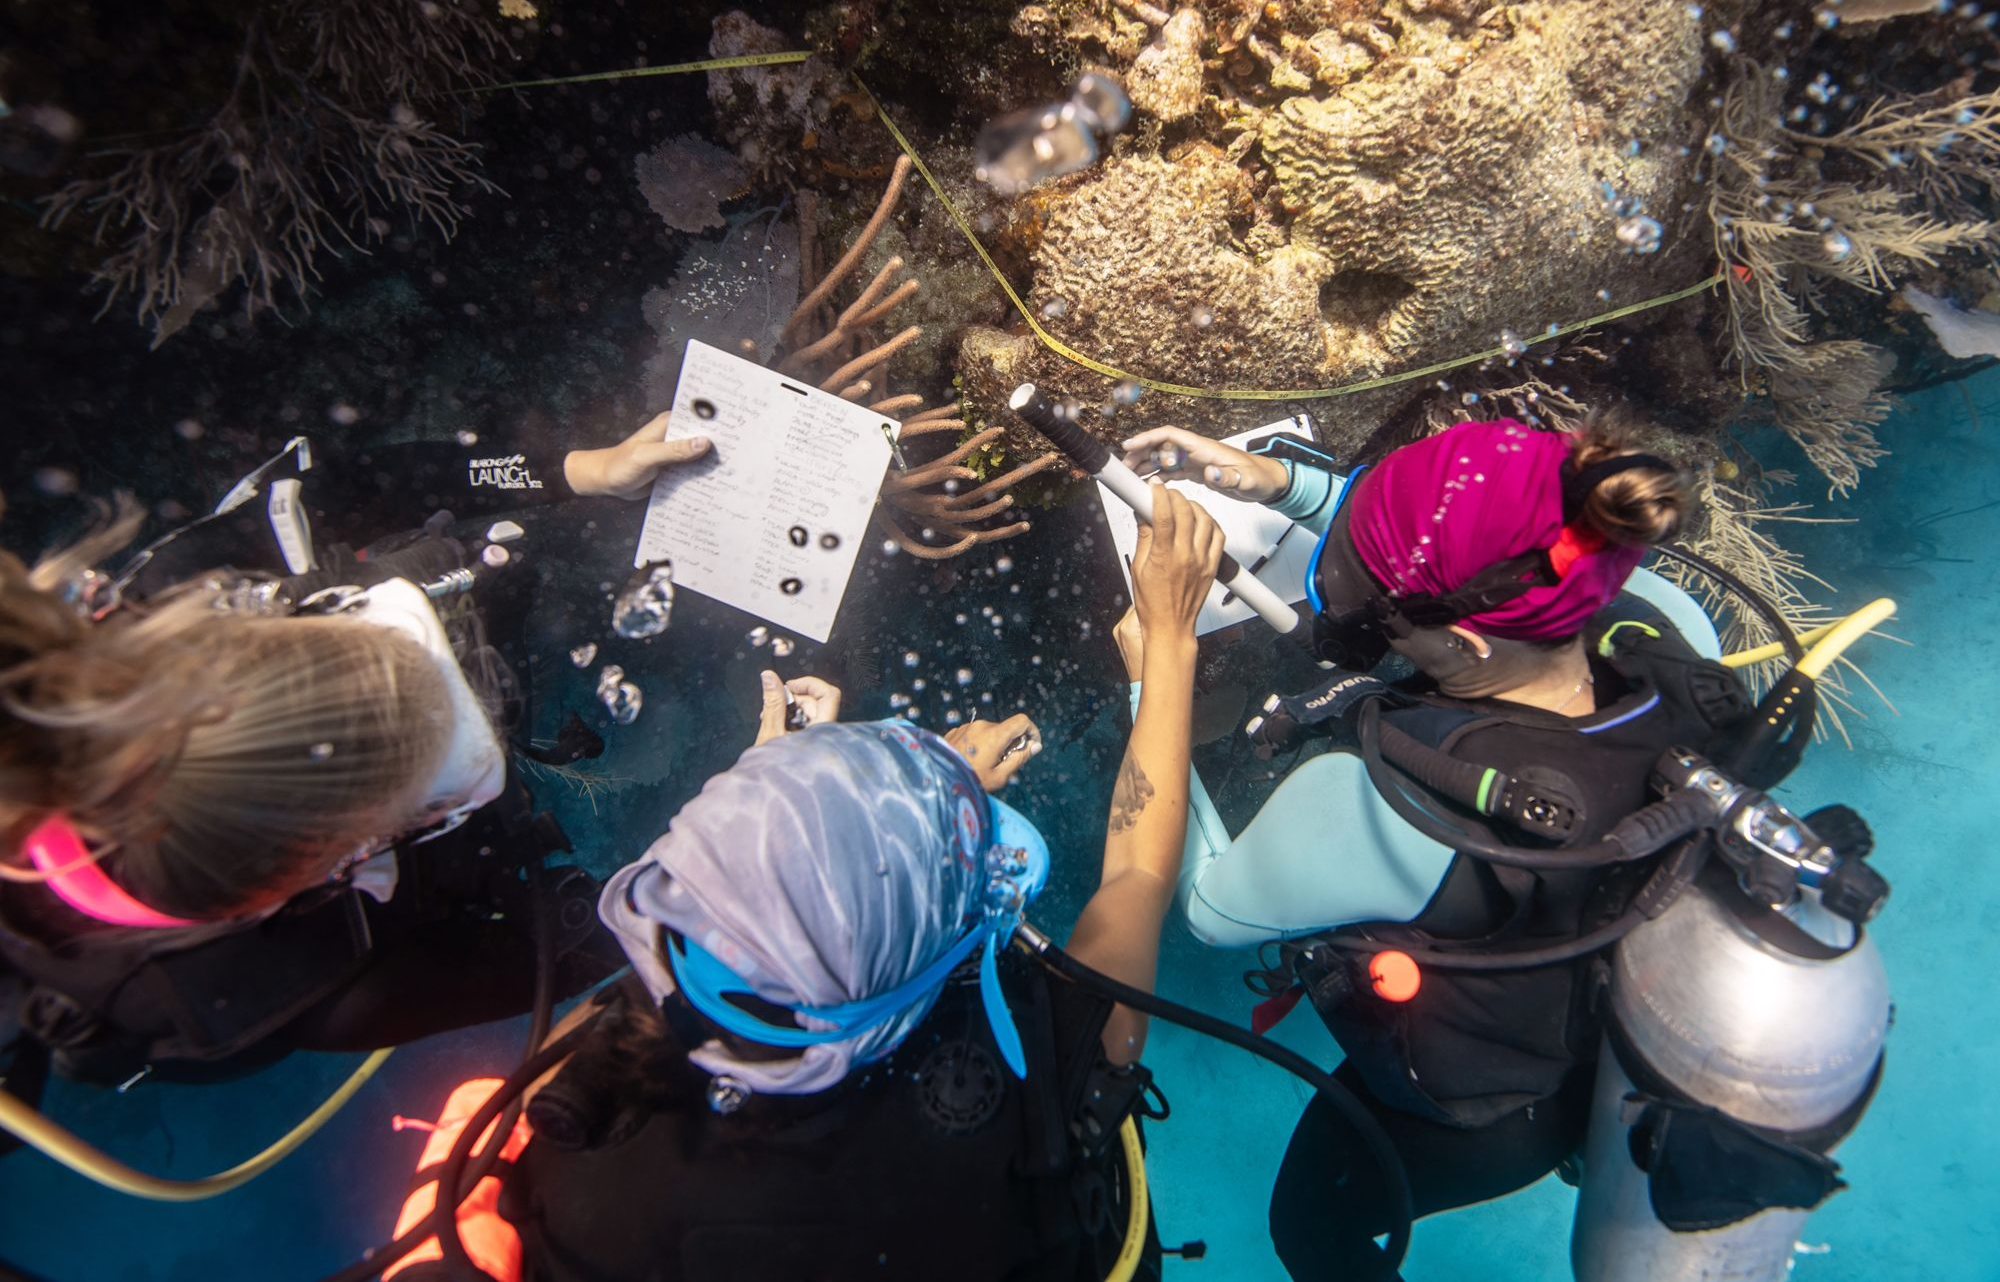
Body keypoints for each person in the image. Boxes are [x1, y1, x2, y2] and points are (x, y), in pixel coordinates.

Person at [376, 487, 1227, 1282]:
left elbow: (742, 916)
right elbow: (1140, 873)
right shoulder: (1034, 1080)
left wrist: (796, 796)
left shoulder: (586, 1116)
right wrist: (1170, 638)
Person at [1121, 415, 1739, 1281]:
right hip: (1624, 1045)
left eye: (1366, 598)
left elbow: (1205, 910)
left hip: (1491, 1112)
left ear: (1466, 642)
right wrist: (1280, 484)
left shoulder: (1385, 807)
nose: (1339, 599)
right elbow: (1479, 540)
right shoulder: (1664, 626)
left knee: (1307, 1227)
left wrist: (1161, 671)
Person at [0, 410, 715, 1085]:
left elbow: (362, 486)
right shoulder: (317, 986)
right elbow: (584, 956)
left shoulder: (170, 596)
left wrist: (576, 470)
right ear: (336, 863)